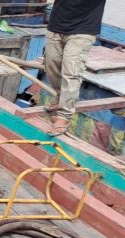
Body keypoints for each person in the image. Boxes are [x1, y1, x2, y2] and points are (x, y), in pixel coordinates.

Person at [44, 0, 107, 136]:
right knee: (51, 64)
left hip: (83, 29)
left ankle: (64, 116)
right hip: (56, 25)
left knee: (71, 71)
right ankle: (61, 98)